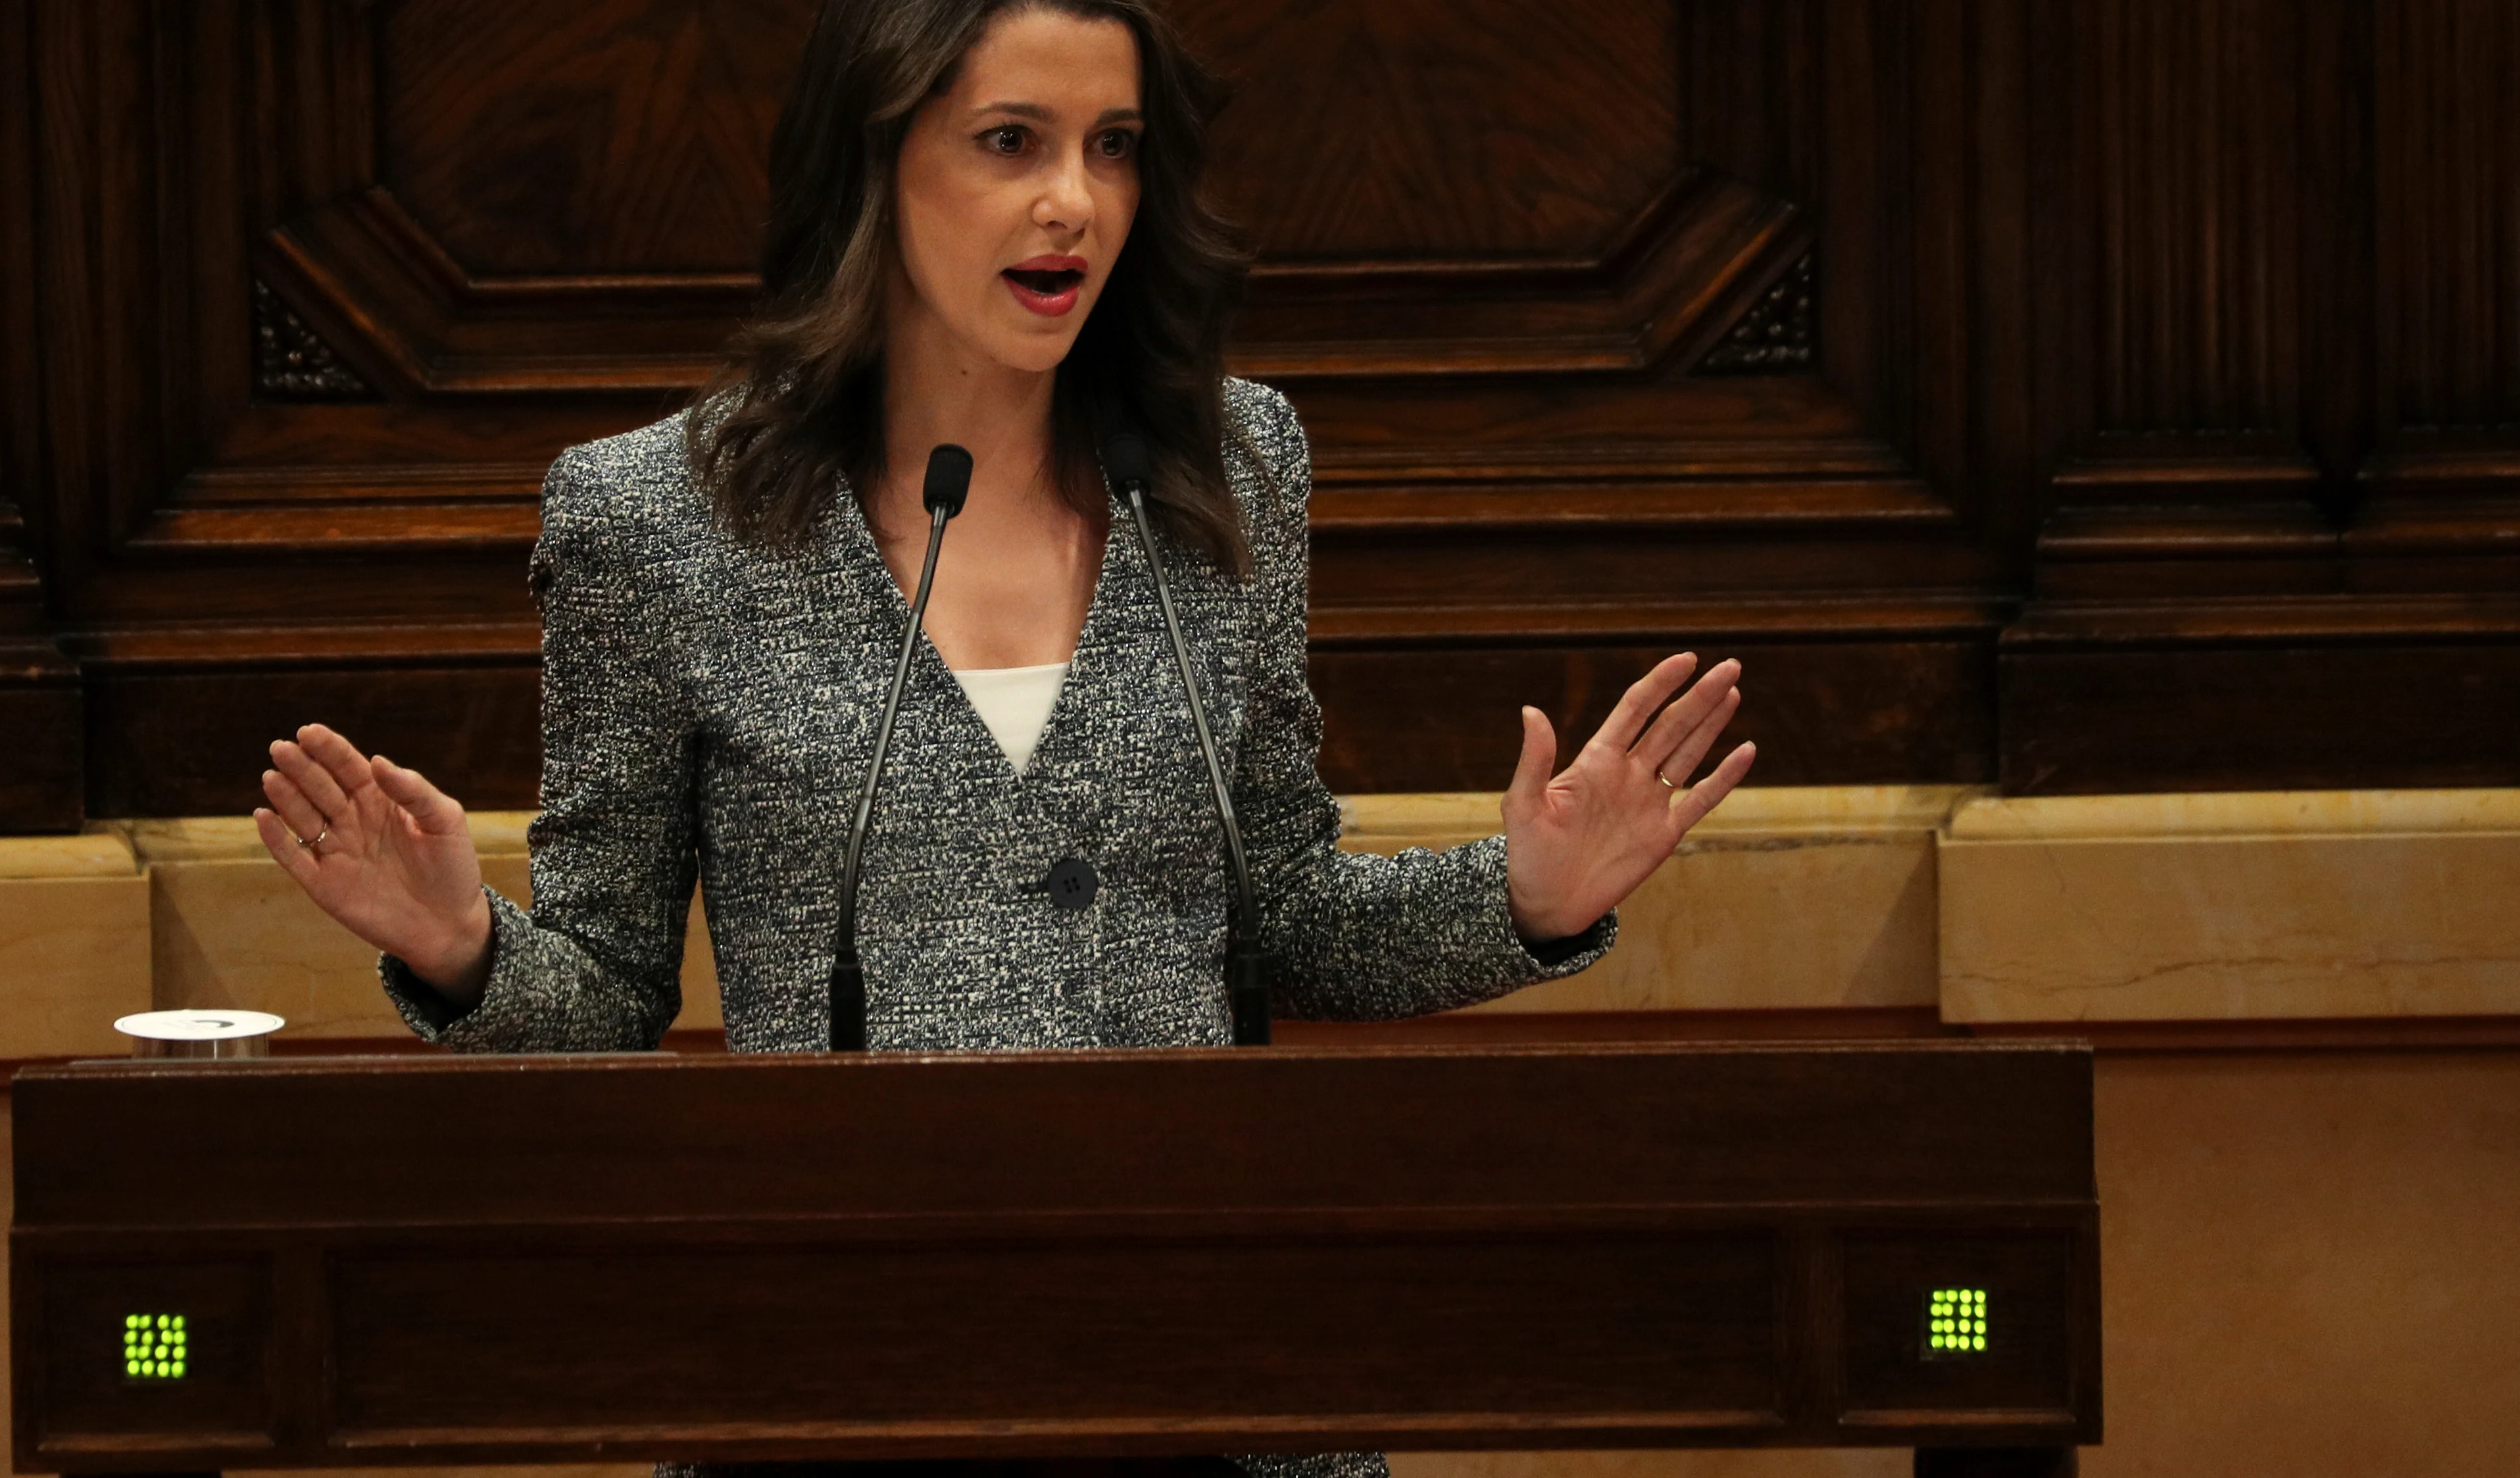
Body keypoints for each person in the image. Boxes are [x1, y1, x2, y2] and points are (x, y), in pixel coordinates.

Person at [253, 0, 1754, 1473]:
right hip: (838, 1359)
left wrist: (1523, 902)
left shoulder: (1227, 464)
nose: (1071, 203)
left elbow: (1279, 918)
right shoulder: (655, 518)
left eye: (1112, 147)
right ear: (874, 165)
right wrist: (460, 947)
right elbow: (611, 997)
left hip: (1219, 1359)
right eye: (1009, 141)